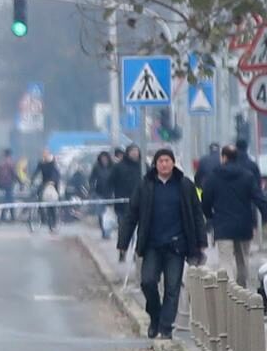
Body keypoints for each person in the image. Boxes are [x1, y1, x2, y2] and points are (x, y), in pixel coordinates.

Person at [118, 147, 207, 340]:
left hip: (177, 246)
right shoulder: (145, 185)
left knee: (172, 288)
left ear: (173, 163)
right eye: (161, 161)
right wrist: (123, 242)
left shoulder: (185, 185)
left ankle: (166, 327)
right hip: (152, 245)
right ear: (155, 164)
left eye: (167, 160)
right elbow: (132, 214)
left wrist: (201, 242)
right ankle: (155, 316)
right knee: (147, 282)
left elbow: (196, 215)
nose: (164, 164)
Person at [202, 145, 267, 288]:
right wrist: (264, 217)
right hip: (244, 225)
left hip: (223, 225)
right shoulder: (247, 176)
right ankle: (242, 289)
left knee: (226, 261)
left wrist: (210, 217)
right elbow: (259, 198)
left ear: (223, 157)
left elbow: (206, 200)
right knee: (242, 261)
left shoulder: (213, 177)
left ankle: (230, 292)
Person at [109, 144, 144, 229]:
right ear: (128, 153)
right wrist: (109, 195)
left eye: (136, 151)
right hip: (123, 204)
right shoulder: (118, 167)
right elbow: (110, 182)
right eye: (132, 151)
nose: (134, 153)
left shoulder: (143, 166)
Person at [89, 151, 116, 239]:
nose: (104, 160)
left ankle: (108, 231)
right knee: (101, 213)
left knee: (109, 214)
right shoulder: (96, 167)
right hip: (99, 193)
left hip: (111, 193)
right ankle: (103, 230)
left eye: (105, 158)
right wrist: (92, 189)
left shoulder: (113, 167)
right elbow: (92, 179)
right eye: (102, 158)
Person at [33, 149, 61, 232]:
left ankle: (54, 222)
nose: (44, 155)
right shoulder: (41, 163)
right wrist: (32, 180)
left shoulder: (53, 162)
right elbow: (36, 172)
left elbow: (56, 173)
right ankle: (42, 216)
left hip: (53, 183)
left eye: (45, 154)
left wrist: (53, 181)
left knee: (52, 203)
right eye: (43, 154)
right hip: (44, 182)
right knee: (39, 195)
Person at [0, 149, 17, 223]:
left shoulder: (1, 162)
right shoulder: (10, 162)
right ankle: (7, 217)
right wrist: (20, 182)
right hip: (9, 183)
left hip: (1, 184)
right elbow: (14, 173)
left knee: (9, 199)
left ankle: (10, 217)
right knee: (9, 200)